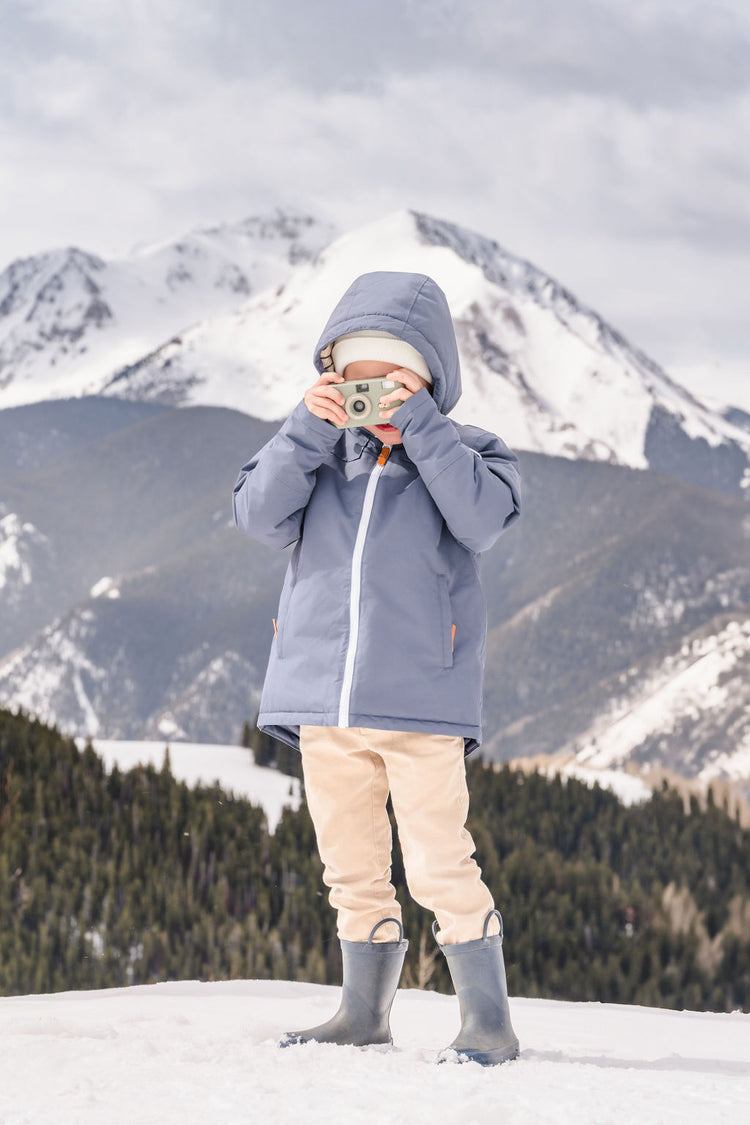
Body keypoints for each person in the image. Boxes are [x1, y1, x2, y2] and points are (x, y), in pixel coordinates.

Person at [232, 270, 522, 1065]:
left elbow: (484, 519)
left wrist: (424, 430)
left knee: (438, 861)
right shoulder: (316, 454)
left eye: (392, 379)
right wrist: (304, 429)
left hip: (422, 702)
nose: (370, 396)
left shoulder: (466, 454)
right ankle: (363, 1015)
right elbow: (255, 516)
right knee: (351, 867)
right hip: (325, 702)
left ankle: (488, 1024)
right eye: (352, 379)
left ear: (430, 379)